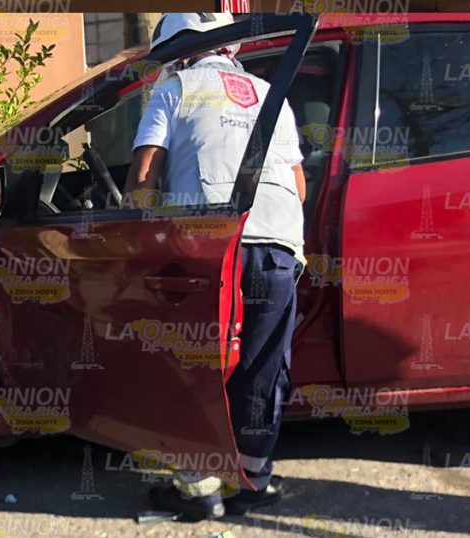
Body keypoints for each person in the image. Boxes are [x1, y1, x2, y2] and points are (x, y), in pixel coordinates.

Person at [124, 12, 307, 521]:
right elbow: (300, 185)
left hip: (209, 248)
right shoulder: (271, 92)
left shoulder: (175, 87)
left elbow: (141, 181)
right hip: (277, 244)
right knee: (262, 369)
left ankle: (199, 491)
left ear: (176, 51)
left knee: (193, 364)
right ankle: (251, 482)